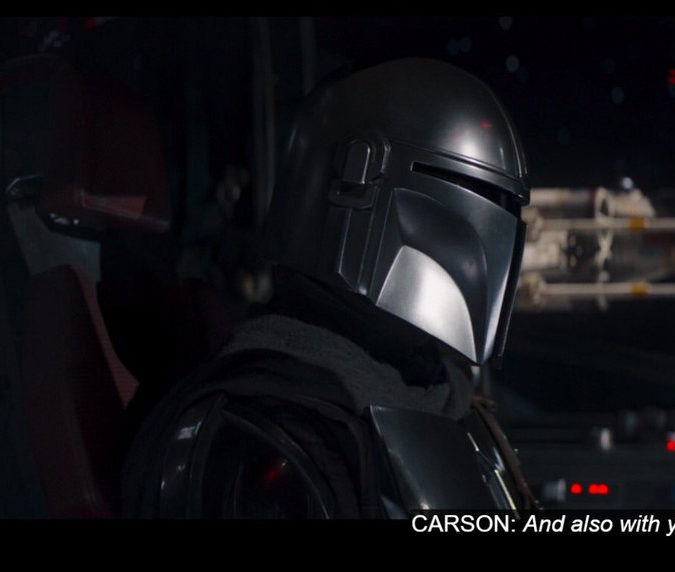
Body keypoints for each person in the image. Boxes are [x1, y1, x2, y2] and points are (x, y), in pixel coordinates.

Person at [121, 58, 536, 518]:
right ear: (357, 179)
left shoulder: (436, 392)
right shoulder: (272, 429)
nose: (494, 229)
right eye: (475, 191)